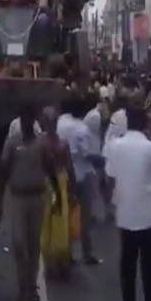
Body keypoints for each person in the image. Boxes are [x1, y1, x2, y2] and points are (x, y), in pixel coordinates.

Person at [104, 104, 151, 301]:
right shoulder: (150, 148)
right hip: (147, 217)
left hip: (125, 216)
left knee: (127, 270)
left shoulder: (116, 146)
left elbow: (111, 176)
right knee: (150, 270)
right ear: (145, 124)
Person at [0, 103, 62, 301]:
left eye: (29, 118)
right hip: (18, 198)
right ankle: (24, 283)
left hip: (37, 197)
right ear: (20, 120)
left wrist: (59, 196)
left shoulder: (41, 142)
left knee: (34, 246)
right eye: (23, 118)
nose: (26, 122)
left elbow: (50, 168)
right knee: (19, 244)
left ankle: (29, 288)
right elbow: (3, 171)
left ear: (33, 120)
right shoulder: (12, 142)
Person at [58, 94, 103, 263]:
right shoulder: (80, 128)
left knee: (66, 213)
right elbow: (87, 153)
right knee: (85, 215)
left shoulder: (60, 123)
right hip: (82, 174)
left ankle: (66, 252)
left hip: (64, 173)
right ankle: (87, 253)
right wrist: (102, 160)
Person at [39, 107, 76, 278]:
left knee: (56, 221)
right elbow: (69, 167)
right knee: (52, 221)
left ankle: (57, 261)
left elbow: (69, 167)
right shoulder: (56, 143)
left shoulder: (47, 143)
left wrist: (71, 190)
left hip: (55, 183)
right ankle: (56, 262)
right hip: (52, 183)